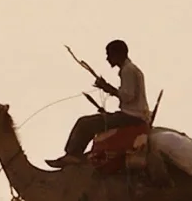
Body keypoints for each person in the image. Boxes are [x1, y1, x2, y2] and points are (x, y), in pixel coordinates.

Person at [46, 40, 151, 169]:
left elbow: (128, 96)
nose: (107, 58)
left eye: (109, 55)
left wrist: (107, 87)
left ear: (117, 54)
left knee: (85, 123)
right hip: (134, 114)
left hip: (131, 116)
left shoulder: (128, 70)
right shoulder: (130, 69)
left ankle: (73, 154)